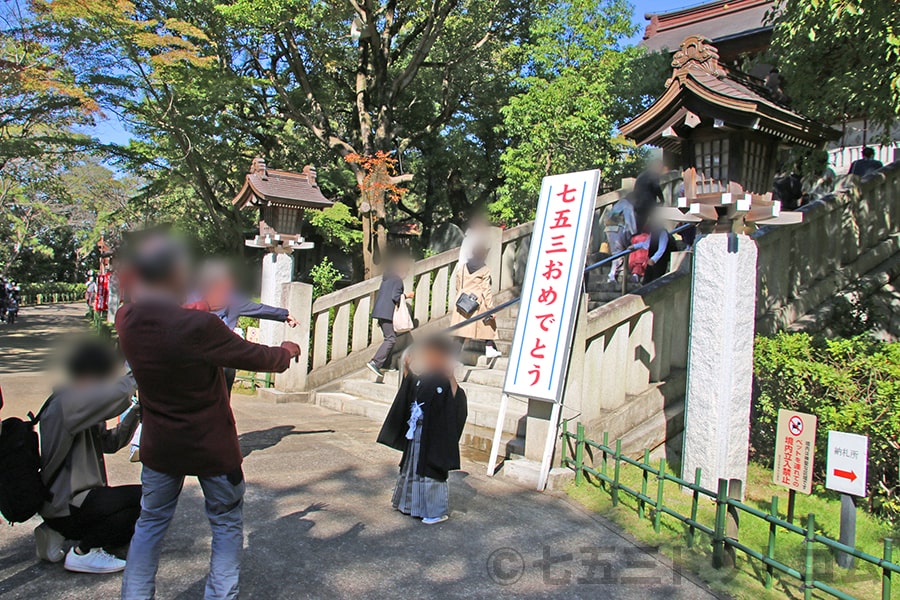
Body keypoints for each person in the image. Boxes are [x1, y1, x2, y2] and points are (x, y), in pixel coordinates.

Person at [115, 233, 301, 600]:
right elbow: (260, 358)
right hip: (211, 447)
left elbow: (162, 314)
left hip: (160, 445)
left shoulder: (128, 319)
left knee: (150, 524)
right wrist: (287, 349)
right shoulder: (199, 328)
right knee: (227, 523)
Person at [36, 340, 141, 574]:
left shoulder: (78, 402)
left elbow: (111, 443)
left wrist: (136, 411)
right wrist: (142, 370)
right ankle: (84, 552)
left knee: (139, 505)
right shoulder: (70, 401)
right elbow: (120, 392)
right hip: (70, 503)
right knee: (148, 501)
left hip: (68, 504)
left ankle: (57, 532)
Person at [377, 336, 468, 524]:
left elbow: (457, 400)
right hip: (417, 432)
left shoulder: (445, 380)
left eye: (433, 356)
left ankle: (435, 511)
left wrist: (451, 376)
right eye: (428, 355)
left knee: (430, 471)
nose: (429, 359)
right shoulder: (423, 378)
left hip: (434, 435)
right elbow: (410, 389)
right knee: (412, 469)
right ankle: (409, 505)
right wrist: (408, 370)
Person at [190, 260, 299, 388]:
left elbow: (258, 309)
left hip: (222, 355)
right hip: (199, 355)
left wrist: (284, 315)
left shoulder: (232, 300)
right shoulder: (191, 297)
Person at [367, 257, 414, 377]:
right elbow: (395, 297)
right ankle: (375, 362)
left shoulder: (386, 279)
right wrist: (407, 295)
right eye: (406, 272)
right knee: (391, 339)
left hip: (380, 312)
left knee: (390, 338)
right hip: (388, 313)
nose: (405, 275)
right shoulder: (397, 280)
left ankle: (385, 365)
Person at [450, 244, 500, 358]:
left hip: (462, 300)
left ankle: (453, 357)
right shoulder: (484, 269)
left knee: (461, 331)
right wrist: (491, 308)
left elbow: (458, 284)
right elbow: (486, 290)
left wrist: (460, 295)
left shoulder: (462, 267)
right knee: (488, 323)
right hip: (477, 301)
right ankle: (489, 348)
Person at [603, 195, 637, 283]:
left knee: (616, 253)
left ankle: (614, 274)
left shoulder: (617, 205)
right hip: (619, 229)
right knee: (619, 253)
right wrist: (634, 233)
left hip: (609, 229)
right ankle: (613, 275)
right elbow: (630, 222)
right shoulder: (628, 206)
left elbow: (607, 218)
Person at [634, 219, 672, 284]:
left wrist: (653, 259)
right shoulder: (653, 233)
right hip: (651, 260)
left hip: (660, 261)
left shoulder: (663, 233)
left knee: (656, 279)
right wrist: (635, 246)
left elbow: (662, 249)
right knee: (647, 281)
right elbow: (646, 244)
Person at [632, 160, 666, 231]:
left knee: (639, 226)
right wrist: (662, 199)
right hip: (647, 204)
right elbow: (656, 187)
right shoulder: (653, 175)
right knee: (654, 224)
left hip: (638, 204)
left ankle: (637, 238)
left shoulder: (641, 175)